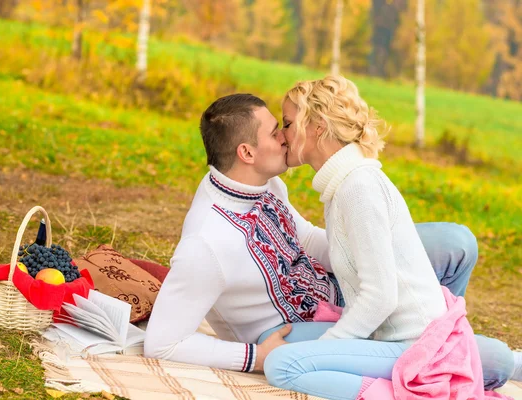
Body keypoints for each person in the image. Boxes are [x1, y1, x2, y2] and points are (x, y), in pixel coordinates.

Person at [143, 93, 520, 398]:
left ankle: (434, 336)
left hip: (337, 287)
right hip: (295, 328)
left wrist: (365, 254)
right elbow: (161, 343)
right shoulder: (206, 242)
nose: (286, 137)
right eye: (278, 131)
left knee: (456, 243)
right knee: (494, 363)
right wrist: (256, 357)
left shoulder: (266, 183)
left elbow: (305, 237)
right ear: (246, 153)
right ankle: (432, 361)